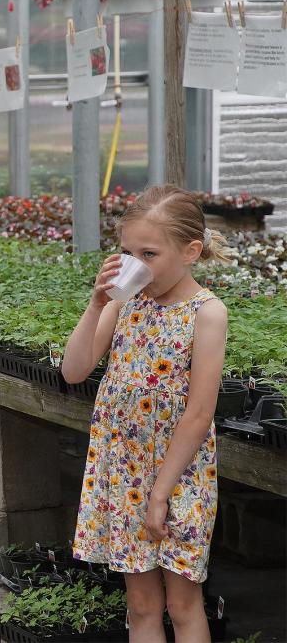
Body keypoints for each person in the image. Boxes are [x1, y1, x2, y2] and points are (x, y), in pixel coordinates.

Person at [62, 186, 231, 643]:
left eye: (149, 253)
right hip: (124, 472)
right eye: (127, 252)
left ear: (191, 251)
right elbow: (74, 370)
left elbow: (198, 414)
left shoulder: (206, 313)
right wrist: (97, 303)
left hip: (179, 476)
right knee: (141, 605)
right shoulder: (125, 302)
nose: (136, 263)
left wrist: (161, 493)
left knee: (182, 603)